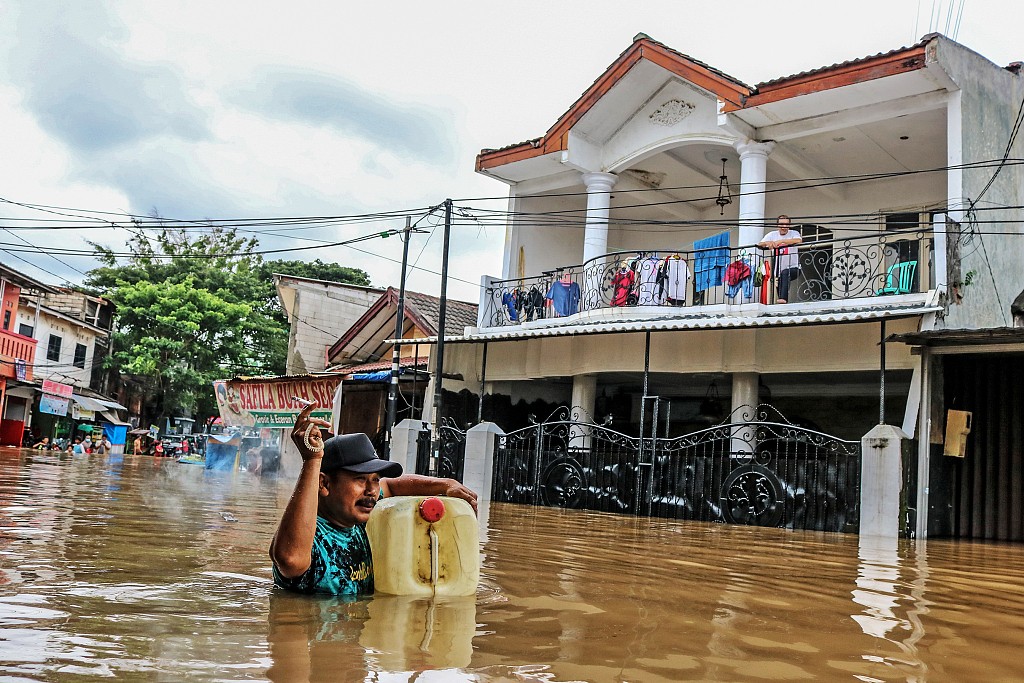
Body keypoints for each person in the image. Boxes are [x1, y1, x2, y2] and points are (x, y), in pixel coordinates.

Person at [270, 404, 477, 596]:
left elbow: (393, 485)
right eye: (359, 479)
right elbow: (290, 559)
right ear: (324, 484)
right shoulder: (309, 537)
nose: (371, 490)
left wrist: (445, 484)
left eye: (374, 479)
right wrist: (312, 460)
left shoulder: (360, 518)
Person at [757, 215, 803, 304]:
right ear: (777, 225)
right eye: (782, 224)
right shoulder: (772, 235)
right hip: (778, 270)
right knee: (781, 283)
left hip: (795, 267)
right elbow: (760, 244)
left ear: (789, 225)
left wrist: (781, 242)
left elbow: (798, 240)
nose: (784, 226)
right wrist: (768, 242)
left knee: (785, 273)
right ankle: (783, 303)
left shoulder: (794, 233)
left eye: (787, 224)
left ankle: (783, 299)